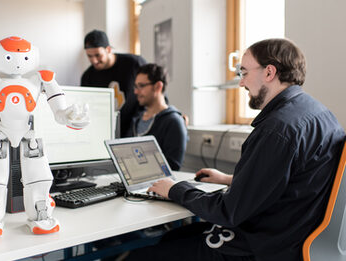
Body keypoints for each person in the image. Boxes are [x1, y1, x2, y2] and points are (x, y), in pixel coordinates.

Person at [124, 38, 346, 261]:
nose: (241, 83)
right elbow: (295, 178)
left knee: (141, 256)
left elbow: (228, 212)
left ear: (269, 72)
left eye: (244, 73)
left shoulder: (277, 129)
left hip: (264, 247)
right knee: (172, 238)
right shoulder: (318, 113)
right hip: (293, 232)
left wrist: (174, 189)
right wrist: (230, 179)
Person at [81, 29, 146, 137]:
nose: (94, 61)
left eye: (98, 55)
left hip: (138, 128)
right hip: (106, 132)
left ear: (108, 49)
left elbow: (155, 90)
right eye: (89, 56)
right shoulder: (87, 76)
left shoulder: (134, 64)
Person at [126, 63, 187, 171]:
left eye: (141, 86)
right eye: (135, 86)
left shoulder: (173, 121)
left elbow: (173, 166)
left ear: (158, 86)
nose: (136, 91)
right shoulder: (137, 120)